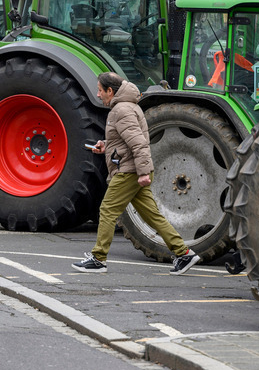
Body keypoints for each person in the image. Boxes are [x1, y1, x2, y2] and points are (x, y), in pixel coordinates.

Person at [72, 72, 200, 275]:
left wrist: (142, 173)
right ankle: (183, 253)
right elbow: (126, 139)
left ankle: (98, 259)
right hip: (134, 169)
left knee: (107, 210)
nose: (98, 95)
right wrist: (105, 146)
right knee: (152, 216)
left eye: (100, 90)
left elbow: (138, 143)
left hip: (128, 171)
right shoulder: (128, 106)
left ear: (110, 91)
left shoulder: (120, 110)